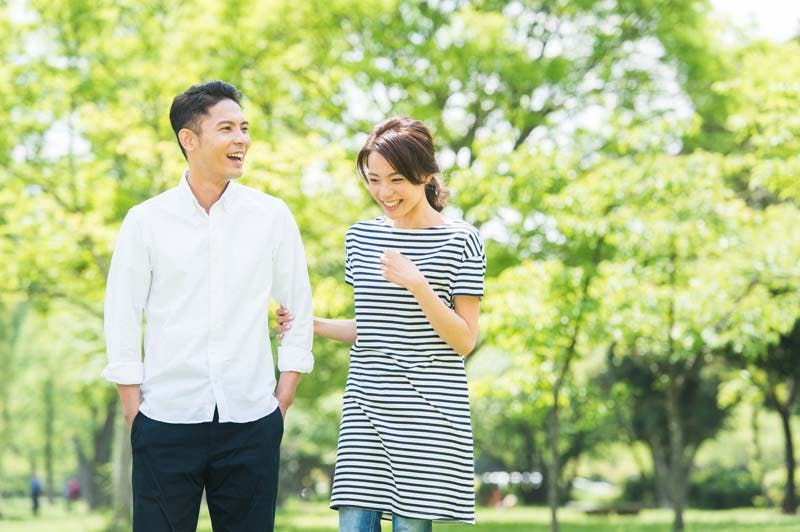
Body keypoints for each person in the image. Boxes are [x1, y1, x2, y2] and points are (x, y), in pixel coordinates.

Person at [102, 80, 314, 532]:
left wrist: (285, 392)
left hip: (252, 419)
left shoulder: (271, 216)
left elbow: (298, 304)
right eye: (227, 129)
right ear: (189, 139)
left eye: (244, 128)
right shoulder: (146, 221)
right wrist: (132, 407)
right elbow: (122, 314)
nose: (242, 139)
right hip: (165, 418)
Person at [278, 116, 485, 531]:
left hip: (427, 411)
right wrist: (312, 324)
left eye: (396, 180)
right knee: (354, 525)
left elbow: (464, 341)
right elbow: (375, 328)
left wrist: (419, 286)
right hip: (366, 406)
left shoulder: (461, 239)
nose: (384, 193)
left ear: (425, 175)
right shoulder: (360, 238)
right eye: (374, 180)